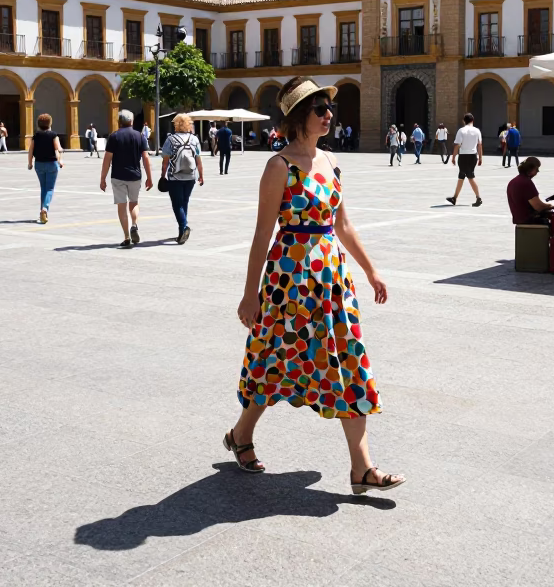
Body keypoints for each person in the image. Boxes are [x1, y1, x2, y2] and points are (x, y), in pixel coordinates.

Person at [227, 76, 403, 495]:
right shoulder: (278, 167)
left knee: (348, 362)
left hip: (331, 282)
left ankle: (362, 469)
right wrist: (250, 293)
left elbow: (342, 224)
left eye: (329, 109)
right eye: (320, 109)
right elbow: (261, 235)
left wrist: (371, 270)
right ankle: (240, 435)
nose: (329, 115)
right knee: (275, 361)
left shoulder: (331, 162)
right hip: (289, 281)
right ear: (298, 116)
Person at [100, 109, 152, 248]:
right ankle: (134, 225)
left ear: (119, 122)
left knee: (121, 206)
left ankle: (126, 237)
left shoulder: (114, 136)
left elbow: (107, 159)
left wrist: (102, 178)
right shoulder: (139, 136)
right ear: (132, 121)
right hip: (135, 175)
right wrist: (149, 177)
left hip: (118, 176)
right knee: (134, 203)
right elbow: (146, 158)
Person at [160, 112, 204, 244]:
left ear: (176, 125)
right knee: (184, 202)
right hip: (191, 176)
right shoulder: (194, 139)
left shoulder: (170, 139)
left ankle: (184, 227)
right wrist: (201, 175)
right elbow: (198, 160)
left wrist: (163, 175)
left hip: (175, 176)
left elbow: (165, 161)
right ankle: (181, 233)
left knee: (177, 204)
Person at [27, 113, 64, 224]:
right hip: (52, 163)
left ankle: (42, 212)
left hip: (39, 164)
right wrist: (60, 159)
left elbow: (30, 150)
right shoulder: (53, 135)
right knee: (49, 188)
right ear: (50, 123)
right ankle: (45, 208)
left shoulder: (36, 136)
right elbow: (58, 148)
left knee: (43, 188)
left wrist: (30, 163)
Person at [446, 113, 484, 207]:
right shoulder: (477, 131)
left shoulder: (461, 131)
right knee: (461, 176)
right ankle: (454, 198)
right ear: (473, 120)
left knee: (470, 176)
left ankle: (478, 197)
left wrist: (453, 157)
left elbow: (457, 145)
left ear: (464, 121)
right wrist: (480, 157)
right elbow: (479, 145)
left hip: (463, 156)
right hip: (473, 156)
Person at [507, 157, 554, 224]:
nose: (538, 171)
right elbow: (538, 206)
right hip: (529, 220)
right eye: (537, 169)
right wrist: (551, 206)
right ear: (530, 169)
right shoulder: (526, 182)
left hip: (519, 220)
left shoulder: (513, 181)